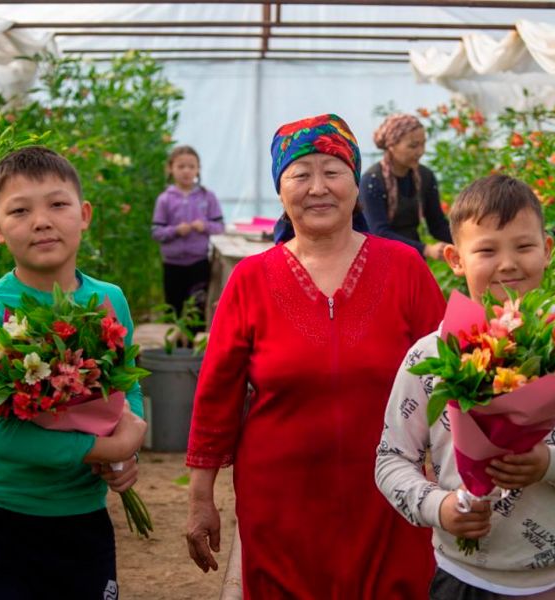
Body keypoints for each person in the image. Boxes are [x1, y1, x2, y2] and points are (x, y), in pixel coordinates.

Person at [185, 113, 447, 598]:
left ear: (355, 181)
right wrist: (201, 498)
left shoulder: (404, 268)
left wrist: (455, 477)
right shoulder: (250, 279)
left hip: (390, 496)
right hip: (280, 501)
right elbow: (216, 396)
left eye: (333, 171)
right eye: (300, 174)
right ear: (281, 191)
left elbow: (448, 378)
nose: (318, 187)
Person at [375, 175, 555, 599]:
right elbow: (391, 460)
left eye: (524, 246)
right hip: (468, 580)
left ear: (547, 250)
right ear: (454, 258)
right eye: (486, 250)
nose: (508, 263)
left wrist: (551, 463)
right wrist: (438, 507)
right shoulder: (432, 356)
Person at [0, 146, 148, 599]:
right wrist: (105, 447)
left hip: (80, 515)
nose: (41, 221)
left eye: (58, 204)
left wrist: (128, 445)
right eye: (20, 211)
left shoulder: (109, 301)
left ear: (85, 214)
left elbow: (125, 384)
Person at [360, 112, 452, 260]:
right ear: (392, 146)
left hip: (412, 258)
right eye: (413, 146)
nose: (421, 151)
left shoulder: (425, 177)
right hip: (380, 259)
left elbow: (437, 225)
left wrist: (466, 242)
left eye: (423, 144)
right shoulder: (372, 181)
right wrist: (426, 249)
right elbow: (379, 233)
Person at [152, 145, 225, 316]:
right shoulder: (164, 199)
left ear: (198, 170)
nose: (186, 171)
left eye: (191, 166)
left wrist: (205, 226)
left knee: (197, 311)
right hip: (172, 265)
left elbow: (220, 227)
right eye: (181, 166)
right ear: (170, 169)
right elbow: (156, 231)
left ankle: (193, 343)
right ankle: (174, 343)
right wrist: (175, 230)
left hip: (199, 264)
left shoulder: (208, 196)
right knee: (173, 309)